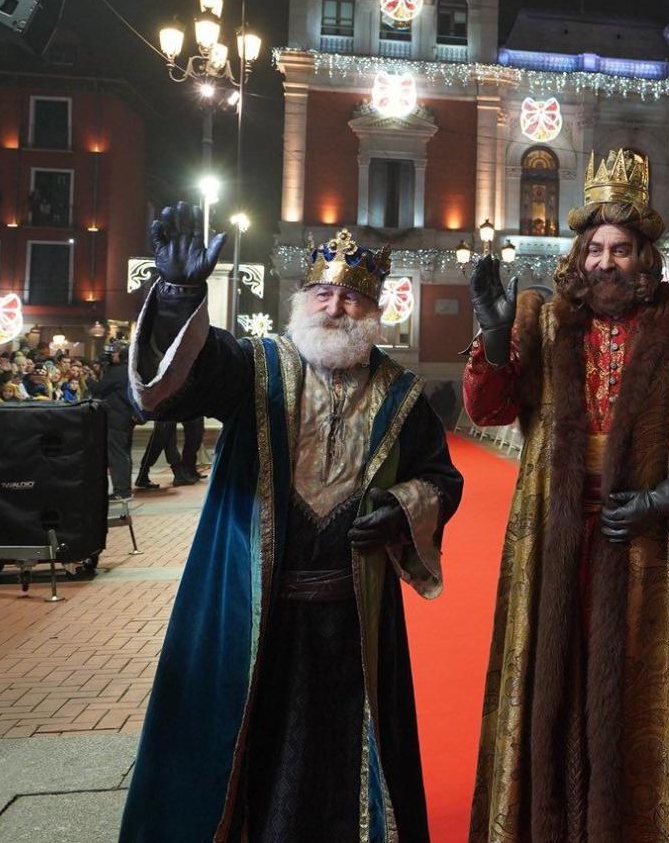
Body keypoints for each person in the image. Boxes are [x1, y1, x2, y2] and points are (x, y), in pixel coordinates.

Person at [119, 207, 463, 843]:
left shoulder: (403, 394)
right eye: (325, 293)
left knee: (342, 755)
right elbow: (175, 388)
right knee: (247, 741)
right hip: (254, 609)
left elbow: (442, 480)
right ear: (302, 300)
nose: (337, 308)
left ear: (376, 310)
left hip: (352, 616)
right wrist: (176, 295)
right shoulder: (254, 367)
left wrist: (400, 508)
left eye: (355, 298)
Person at [464, 151, 669, 843]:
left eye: (620, 249)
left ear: (644, 254)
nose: (605, 262)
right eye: (594, 248)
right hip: (555, 532)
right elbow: (490, 408)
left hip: (651, 535)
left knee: (649, 687)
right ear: (578, 253)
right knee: (554, 679)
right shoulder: (546, 321)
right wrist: (495, 338)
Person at [91, 343, 135, 500]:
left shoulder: (118, 371)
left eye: (114, 353)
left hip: (116, 417)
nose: (111, 355)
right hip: (126, 417)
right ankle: (124, 489)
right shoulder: (129, 370)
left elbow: (98, 389)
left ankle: (122, 491)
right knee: (123, 453)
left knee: (117, 454)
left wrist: (90, 378)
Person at [134, 420, 182, 490]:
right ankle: (142, 475)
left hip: (170, 414)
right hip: (162, 414)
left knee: (170, 442)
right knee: (157, 442)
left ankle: (178, 474)